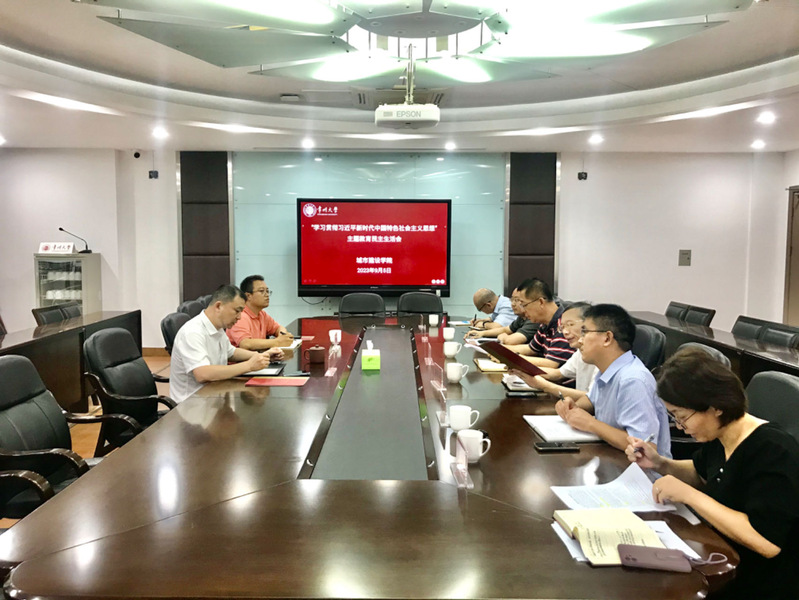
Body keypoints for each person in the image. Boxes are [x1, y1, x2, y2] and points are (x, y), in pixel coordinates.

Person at [626, 348, 799, 599]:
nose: (680, 427)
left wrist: (690, 495)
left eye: (682, 417)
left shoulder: (773, 451)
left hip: (759, 581)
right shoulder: (719, 436)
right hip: (719, 555)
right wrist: (660, 463)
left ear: (715, 407)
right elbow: (702, 474)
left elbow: (766, 542)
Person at [555, 303, 671, 454]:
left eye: (585, 332)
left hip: (638, 467)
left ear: (607, 338)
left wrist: (591, 423)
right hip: (612, 456)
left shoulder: (633, 380)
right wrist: (573, 406)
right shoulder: (607, 370)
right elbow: (592, 400)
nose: (580, 340)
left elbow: (643, 447)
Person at [170, 284, 284, 403]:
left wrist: (262, 356)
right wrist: (249, 366)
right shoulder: (193, 332)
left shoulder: (217, 327)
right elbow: (203, 374)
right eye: (237, 311)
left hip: (214, 396)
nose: (239, 317)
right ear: (218, 306)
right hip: (192, 404)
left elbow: (231, 352)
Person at [514, 302, 597, 399]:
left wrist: (544, 386)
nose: (565, 332)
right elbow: (558, 374)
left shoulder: (602, 356)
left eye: (570, 324)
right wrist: (523, 370)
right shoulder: (580, 352)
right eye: (562, 327)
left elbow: (592, 398)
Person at [515, 278, 575, 367]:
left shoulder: (564, 323)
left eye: (524, 305)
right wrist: (501, 351)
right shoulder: (544, 324)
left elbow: (552, 363)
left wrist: (514, 358)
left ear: (541, 302)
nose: (523, 311)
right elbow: (531, 349)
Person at [227, 275, 294, 349]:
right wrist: (278, 342)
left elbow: (278, 328)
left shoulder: (262, 314)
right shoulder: (240, 316)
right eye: (262, 291)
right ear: (248, 296)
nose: (267, 295)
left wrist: (283, 336)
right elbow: (245, 344)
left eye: (267, 291)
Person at [464, 286, 538, 348]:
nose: (512, 304)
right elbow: (506, 329)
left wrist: (503, 337)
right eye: (512, 299)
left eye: (516, 300)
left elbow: (509, 340)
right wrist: (482, 333)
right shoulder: (522, 317)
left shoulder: (534, 320)